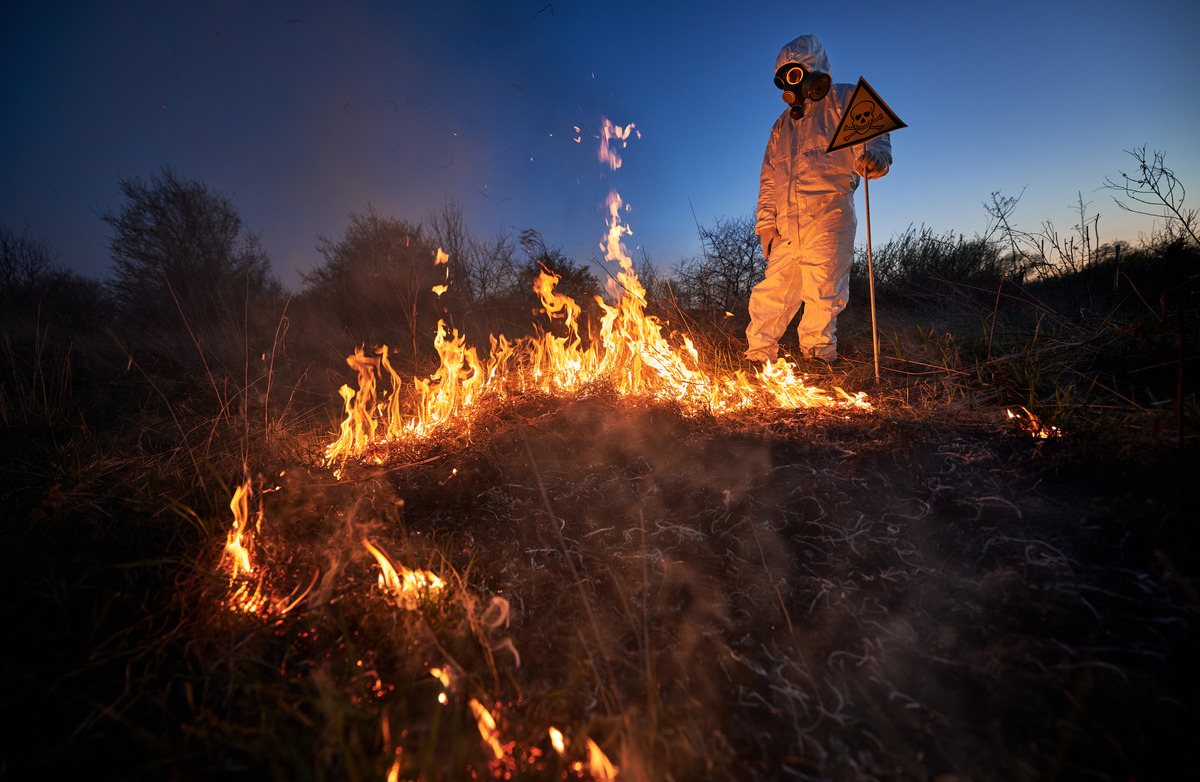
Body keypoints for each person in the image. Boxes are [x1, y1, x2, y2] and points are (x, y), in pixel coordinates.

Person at [745, 34, 892, 365]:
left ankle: (817, 362)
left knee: (823, 293)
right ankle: (757, 359)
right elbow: (768, 178)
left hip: (829, 215)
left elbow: (876, 141)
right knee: (772, 293)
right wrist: (766, 224)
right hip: (784, 226)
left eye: (794, 75)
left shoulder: (845, 99)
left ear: (812, 70)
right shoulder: (781, 126)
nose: (789, 86)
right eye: (782, 79)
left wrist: (875, 158)